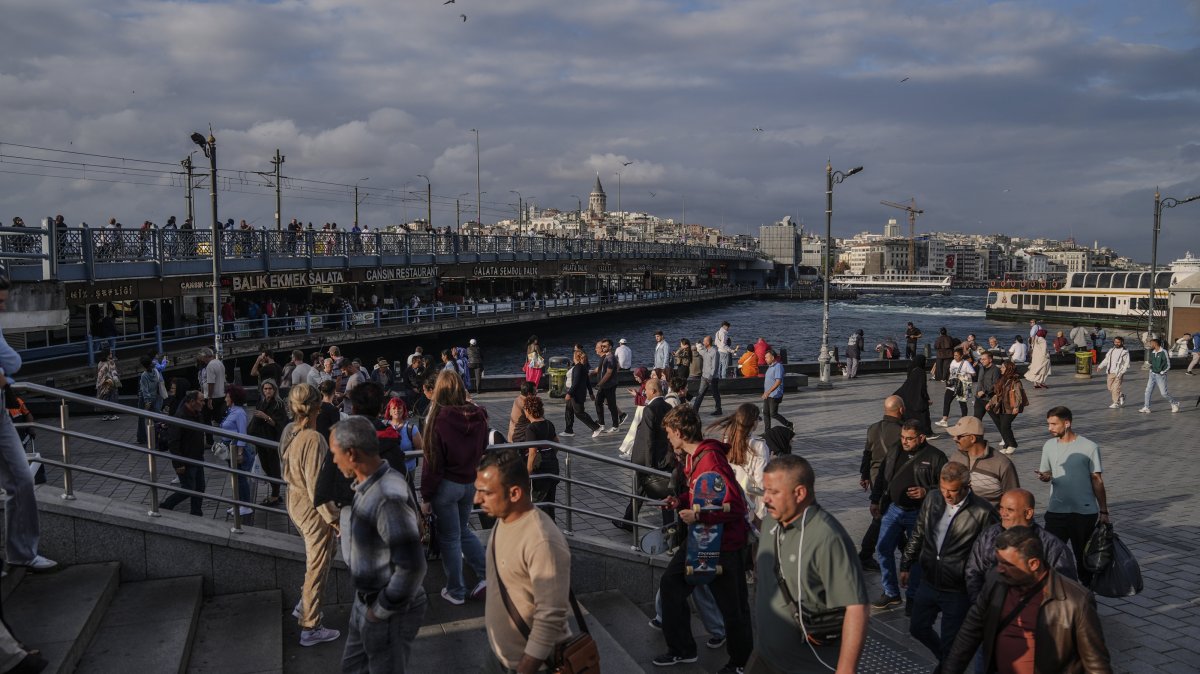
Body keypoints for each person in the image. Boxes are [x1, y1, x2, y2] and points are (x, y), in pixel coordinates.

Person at [749, 455, 870, 674]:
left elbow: (857, 607)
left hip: (807, 665)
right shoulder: (769, 523)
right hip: (766, 657)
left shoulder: (826, 536)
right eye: (765, 490)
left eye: (774, 492)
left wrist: (846, 669)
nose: (765, 499)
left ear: (800, 493)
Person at [654, 404, 752, 671]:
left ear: (679, 432)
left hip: (721, 544)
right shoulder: (694, 459)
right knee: (672, 584)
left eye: (669, 434)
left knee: (733, 607)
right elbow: (709, 494)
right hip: (704, 539)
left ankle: (741, 663)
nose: (668, 438)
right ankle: (682, 649)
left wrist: (698, 516)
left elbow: (736, 506)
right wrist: (680, 500)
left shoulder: (709, 460)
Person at [329, 417, 427, 674]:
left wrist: (379, 611)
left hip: (387, 612)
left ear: (351, 454)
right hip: (366, 602)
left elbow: (413, 566)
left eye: (334, 454)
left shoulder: (386, 496)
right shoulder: (368, 486)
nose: (333, 461)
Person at [941, 526, 1112, 674]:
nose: (999, 569)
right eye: (999, 561)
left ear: (1033, 564)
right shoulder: (995, 580)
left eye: (1008, 564)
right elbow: (970, 631)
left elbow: (1096, 664)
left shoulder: (1075, 601)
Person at [475, 448, 572, 674]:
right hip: (498, 656)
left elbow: (550, 617)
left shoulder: (542, 541)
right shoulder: (504, 519)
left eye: (485, 492)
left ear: (515, 493)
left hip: (531, 666)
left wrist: (524, 669)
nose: (476, 499)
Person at [900, 463, 998, 663]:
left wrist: (978, 584)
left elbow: (991, 554)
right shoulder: (933, 498)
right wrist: (906, 562)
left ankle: (947, 664)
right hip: (928, 581)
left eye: (952, 491)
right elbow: (919, 532)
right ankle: (945, 660)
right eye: (943, 489)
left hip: (957, 589)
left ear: (966, 487)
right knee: (917, 628)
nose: (947, 495)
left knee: (950, 642)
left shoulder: (983, 512)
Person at [278, 384, 343, 646]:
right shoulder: (314, 439)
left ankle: (305, 605)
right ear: (318, 407)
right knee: (317, 566)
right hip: (312, 507)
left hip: (295, 500)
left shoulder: (289, 431)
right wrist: (334, 519)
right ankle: (310, 625)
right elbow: (319, 487)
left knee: (325, 554)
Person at [420, 370, 489, 605]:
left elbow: (432, 462)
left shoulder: (439, 418)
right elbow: (483, 448)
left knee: (449, 537)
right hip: (469, 482)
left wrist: (426, 496)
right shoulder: (479, 415)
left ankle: (456, 590)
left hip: (446, 486)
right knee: (464, 531)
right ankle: (487, 576)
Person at [870, 420, 947, 612]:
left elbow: (947, 488)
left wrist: (926, 491)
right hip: (894, 509)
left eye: (909, 438)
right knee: (883, 548)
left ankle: (913, 596)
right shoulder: (895, 450)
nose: (905, 442)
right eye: (903, 437)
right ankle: (891, 593)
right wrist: (875, 499)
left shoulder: (936, 457)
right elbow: (882, 475)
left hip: (919, 513)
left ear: (921, 437)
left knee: (917, 556)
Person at [1036, 406, 1109, 586]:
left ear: (1067, 423)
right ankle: (1052, 591)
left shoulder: (1089, 447)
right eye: (1048, 424)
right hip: (1056, 510)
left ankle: (1086, 594)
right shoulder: (1048, 446)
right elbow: (1047, 473)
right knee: (1050, 555)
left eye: (1054, 424)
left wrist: (1104, 511)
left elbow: (1097, 480)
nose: (1050, 428)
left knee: (1083, 559)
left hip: (1083, 513)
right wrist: (1045, 477)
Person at [964, 489, 1076, 603]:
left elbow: (1064, 589)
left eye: (1010, 510)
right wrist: (980, 604)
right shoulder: (988, 536)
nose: (1003, 514)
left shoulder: (1053, 547)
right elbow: (973, 572)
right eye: (1001, 508)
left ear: (1028, 513)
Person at [619, 378, 675, 530]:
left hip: (646, 460)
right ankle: (628, 521)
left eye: (647, 391)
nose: (645, 393)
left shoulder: (649, 409)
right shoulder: (668, 407)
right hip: (663, 457)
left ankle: (668, 526)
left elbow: (648, 439)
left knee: (642, 491)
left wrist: (649, 467)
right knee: (650, 491)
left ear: (654, 391)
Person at [859, 395, 905, 571]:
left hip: (874, 475)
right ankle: (865, 555)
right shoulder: (902, 430)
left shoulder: (873, 428)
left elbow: (867, 454)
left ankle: (868, 554)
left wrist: (864, 475)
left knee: (886, 514)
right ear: (900, 410)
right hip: (893, 477)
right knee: (884, 516)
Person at [710, 403, 768, 521]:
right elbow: (761, 482)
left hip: (730, 500)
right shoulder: (759, 446)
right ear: (754, 422)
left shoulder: (726, 441)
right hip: (751, 507)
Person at [945, 416, 1019, 508]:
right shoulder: (955, 457)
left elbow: (1014, 498)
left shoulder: (1002, 464)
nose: (954, 439)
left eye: (959, 436)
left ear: (972, 438)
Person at [159, 391, 208, 517]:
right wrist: (178, 463)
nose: (204, 403)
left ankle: (196, 513)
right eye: (201, 400)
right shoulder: (180, 417)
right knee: (188, 488)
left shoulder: (197, 414)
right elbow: (173, 442)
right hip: (186, 459)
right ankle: (166, 505)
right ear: (192, 402)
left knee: (200, 487)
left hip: (197, 457)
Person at [248, 378, 287, 506]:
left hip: (272, 439)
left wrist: (265, 417)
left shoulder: (278, 404)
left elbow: (278, 423)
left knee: (273, 466)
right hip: (261, 438)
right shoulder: (262, 401)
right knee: (266, 466)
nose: (267, 391)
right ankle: (274, 492)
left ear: (274, 390)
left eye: (270, 388)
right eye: (265, 389)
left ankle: (275, 495)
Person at [522, 396, 560, 522]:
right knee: (550, 501)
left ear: (529, 410)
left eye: (525, 409)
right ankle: (552, 530)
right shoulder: (549, 424)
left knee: (539, 501)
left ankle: (543, 533)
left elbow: (532, 452)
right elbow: (556, 443)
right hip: (553, 465)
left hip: (541, 469)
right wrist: (550, 455)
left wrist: (527, 473)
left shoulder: (531, 428)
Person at [218, 384, 254, 517]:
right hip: (229, 447)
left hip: (236, 448)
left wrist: (239, 452)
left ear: (232, 398)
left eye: (227, 396)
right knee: (236, 477)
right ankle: (238, 503)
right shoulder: (231, 410)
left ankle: (246, 505)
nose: (225, 399)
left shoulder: (239, 413)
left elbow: (242, 433)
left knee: (240, 478)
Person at [987, 360, 1027, 454]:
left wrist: (1016, 407)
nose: (1001, 369)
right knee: (1002, 426)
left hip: (1011, 407)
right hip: (1002, 406)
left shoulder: (1016, 381)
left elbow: (1018, 394)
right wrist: (990, 402)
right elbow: (998, 394)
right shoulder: (1003, 379)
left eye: (1003, 367)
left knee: (1005, 426)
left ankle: (1012, 444)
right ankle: (1006, 445)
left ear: (1009, 369)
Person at [894, 355, 933, 435]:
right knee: (923, 414)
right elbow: (922, 388)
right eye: (925, 360)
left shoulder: (912, 369)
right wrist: (926, 398)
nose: (926, 362)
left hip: (909, 395)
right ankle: (926, 433)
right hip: (918, 397)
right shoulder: (921, 372)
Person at [1140, 337, 1181, 413]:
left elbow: (1168, 365)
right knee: (1147, 391)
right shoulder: (1153, 352)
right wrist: (1150, 367)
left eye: (1151, 343)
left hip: (1160, 376)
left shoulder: (1163, 352)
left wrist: (1162, 372)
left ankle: (1175, 403)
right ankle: (1146, 407)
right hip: (1152, 374)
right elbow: (1152, 362)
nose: (1150, 344)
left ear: (1155, 344)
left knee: (1164, 393)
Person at [936, 350, 975, 428]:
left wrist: (964, 373)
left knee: (962, 403)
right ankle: (944, 420)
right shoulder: (953, 361)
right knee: (946, 401)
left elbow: (973, 373)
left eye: (956, 355)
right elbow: (951, 372)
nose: (955, 357)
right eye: (954, 355)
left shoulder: (966, 363)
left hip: (961, 386)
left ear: (961, 356)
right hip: (952, 385)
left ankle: (964, 420)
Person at [592, 340, 625, 432]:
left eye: (605, 346)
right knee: (598, 402)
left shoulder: (610, 358)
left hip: (609, 385)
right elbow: (616, 367)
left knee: (611, 405)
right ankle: (601, 424)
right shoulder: (607, 357)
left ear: (610, 347)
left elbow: (609, 373)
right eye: (602, 346)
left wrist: (600, 383)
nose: (602, 348)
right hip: (605, 385)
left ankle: (615, 426)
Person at [136, 354, 165, 444]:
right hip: (155, 397)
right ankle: (160, 435)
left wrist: (147, 401)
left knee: (141, 418)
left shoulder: (144, 375)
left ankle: (142, 437)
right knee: (156, 417)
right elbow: (158, 382)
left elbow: (145, 389)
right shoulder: (155, 371)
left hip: (145, 399)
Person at [1095, 336, 1130, 408]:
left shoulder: (1125, 352)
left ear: (1122, 342)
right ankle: (1121, 395)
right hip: (1110, 372)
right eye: (1115, 342)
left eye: (1118, 342)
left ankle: (1115, 403)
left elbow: (1127, 363)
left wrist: (1122, 372)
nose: (1116, 343)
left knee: (1116, 388)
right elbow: (1106, 360)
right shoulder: (1111, 350)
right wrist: (1100, 366)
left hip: (1118, 373)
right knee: (1109, 387)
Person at [692, 335, 723, 416]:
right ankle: (694, 410)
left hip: (712, 378)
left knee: (715, 394)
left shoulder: (715, 352)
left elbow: (714, 367)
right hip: (704, 376)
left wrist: (710, 377)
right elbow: (698, 350)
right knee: (700, 394)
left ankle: (718, 409)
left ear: (708, 342)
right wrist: (694, 347)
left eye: (704, 341)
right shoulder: (705, 350)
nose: (703, 342)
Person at [760, 350, 791, 431]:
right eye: (765, 357)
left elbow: (778, 381)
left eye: (767, 357)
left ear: (773, 357)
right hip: (768, 394)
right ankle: (767, 432)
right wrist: (765, 392)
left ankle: (789, 424)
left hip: (775, 394)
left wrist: (768, 392)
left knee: (773, 413)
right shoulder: (770, 367)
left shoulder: (778, 366)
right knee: (766, 413)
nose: (765, 359)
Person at [198, 347, 227, 430]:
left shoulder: (210, 366)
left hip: (212, 397)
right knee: (219, 418)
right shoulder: (220, 363)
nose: (202, 360)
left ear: (206, 356)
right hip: (221, 394)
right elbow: (224, 380)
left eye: (203, 358)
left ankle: (210, 440)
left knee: (206, 418)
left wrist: (210, 398)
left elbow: (211, 383)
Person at [971, 351, 1000, 421]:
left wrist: (984, 391)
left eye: (984, 359)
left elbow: (995, 384)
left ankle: (1005, 431)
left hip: (989, 399)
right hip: (979, 399)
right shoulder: (981, 368)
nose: (982, 361)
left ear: (990, 360)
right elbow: (979, 382)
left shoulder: (995, 370)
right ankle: (976, 432)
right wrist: (976, 395)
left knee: (997, 421)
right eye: (981, 359)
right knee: (976, 421)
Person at [506, 381, 537, 445]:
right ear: (529, 394)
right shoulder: (526, 403)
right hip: (519, 439)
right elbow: (536, 421)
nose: (537, 392)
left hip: (512, 437)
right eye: (535, 391)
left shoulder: (518, 399)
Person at [95, 348, 121, 421]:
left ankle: (105, 415)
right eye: (110, 353)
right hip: (110, 383)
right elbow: (114, 372)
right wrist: (117, 382)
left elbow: (99, 374)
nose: (111, 354)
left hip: (102, 384)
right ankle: (112, 415)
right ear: (107, 354)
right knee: (112, 398)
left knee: (104, 398)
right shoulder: (111, 362)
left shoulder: (100, 363)